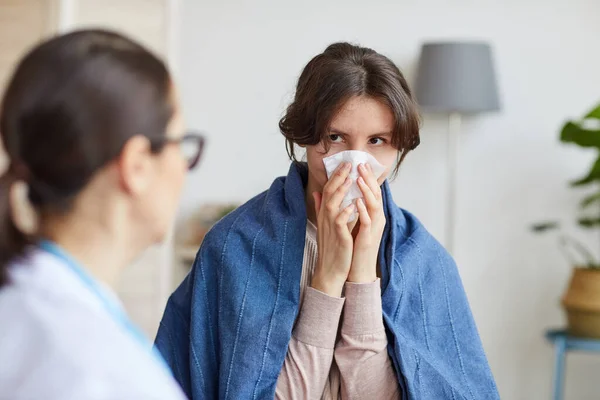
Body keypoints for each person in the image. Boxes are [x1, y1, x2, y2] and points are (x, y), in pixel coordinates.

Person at [155, 42, 499, 399]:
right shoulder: (235, 245)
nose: (355, 162)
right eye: (335, 138)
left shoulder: (423, 259)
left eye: (377, 140)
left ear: (397, 147)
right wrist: (328, 279)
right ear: (304, 134)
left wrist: (363, 275)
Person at [0, 29, 204, 399]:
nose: (183, 168)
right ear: (137, 166)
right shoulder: (109, 375)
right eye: (181, 143)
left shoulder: (21, 300)